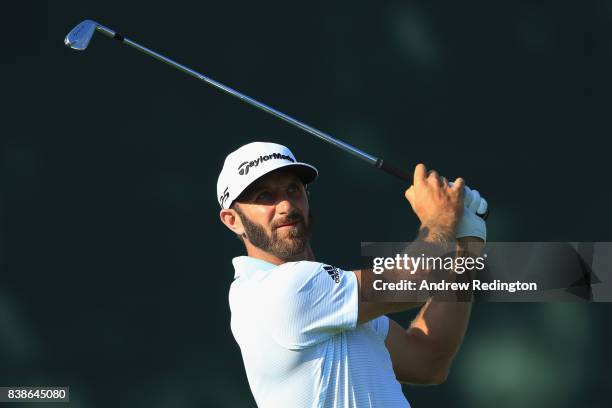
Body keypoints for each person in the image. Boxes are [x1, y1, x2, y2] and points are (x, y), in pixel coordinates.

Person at [217, 141, 487, 408]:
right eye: (264, 196)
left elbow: (428, 361)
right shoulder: (276, 292)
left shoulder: (331, 298)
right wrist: (440, 219)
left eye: (293, 189)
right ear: (233, 220)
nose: (286, 205)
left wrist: (467, 244)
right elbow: (413, 282)